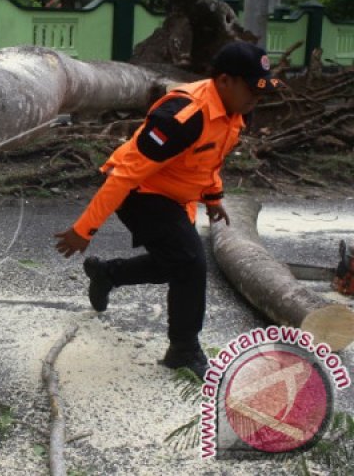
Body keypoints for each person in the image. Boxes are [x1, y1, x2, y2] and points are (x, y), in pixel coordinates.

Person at [53, 41, 282, 378]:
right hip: (140, 192)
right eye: (252, 89)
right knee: (190, 262)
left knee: (173, 263)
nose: (256, 98)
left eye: (262, 90)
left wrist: (214, 197)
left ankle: (107, 274)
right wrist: (84, 229)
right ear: (224, 81)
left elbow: (208, 159)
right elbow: (126, 175)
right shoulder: (181, 116)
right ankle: (184, 349)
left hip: (177, 197)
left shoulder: (236, 110)